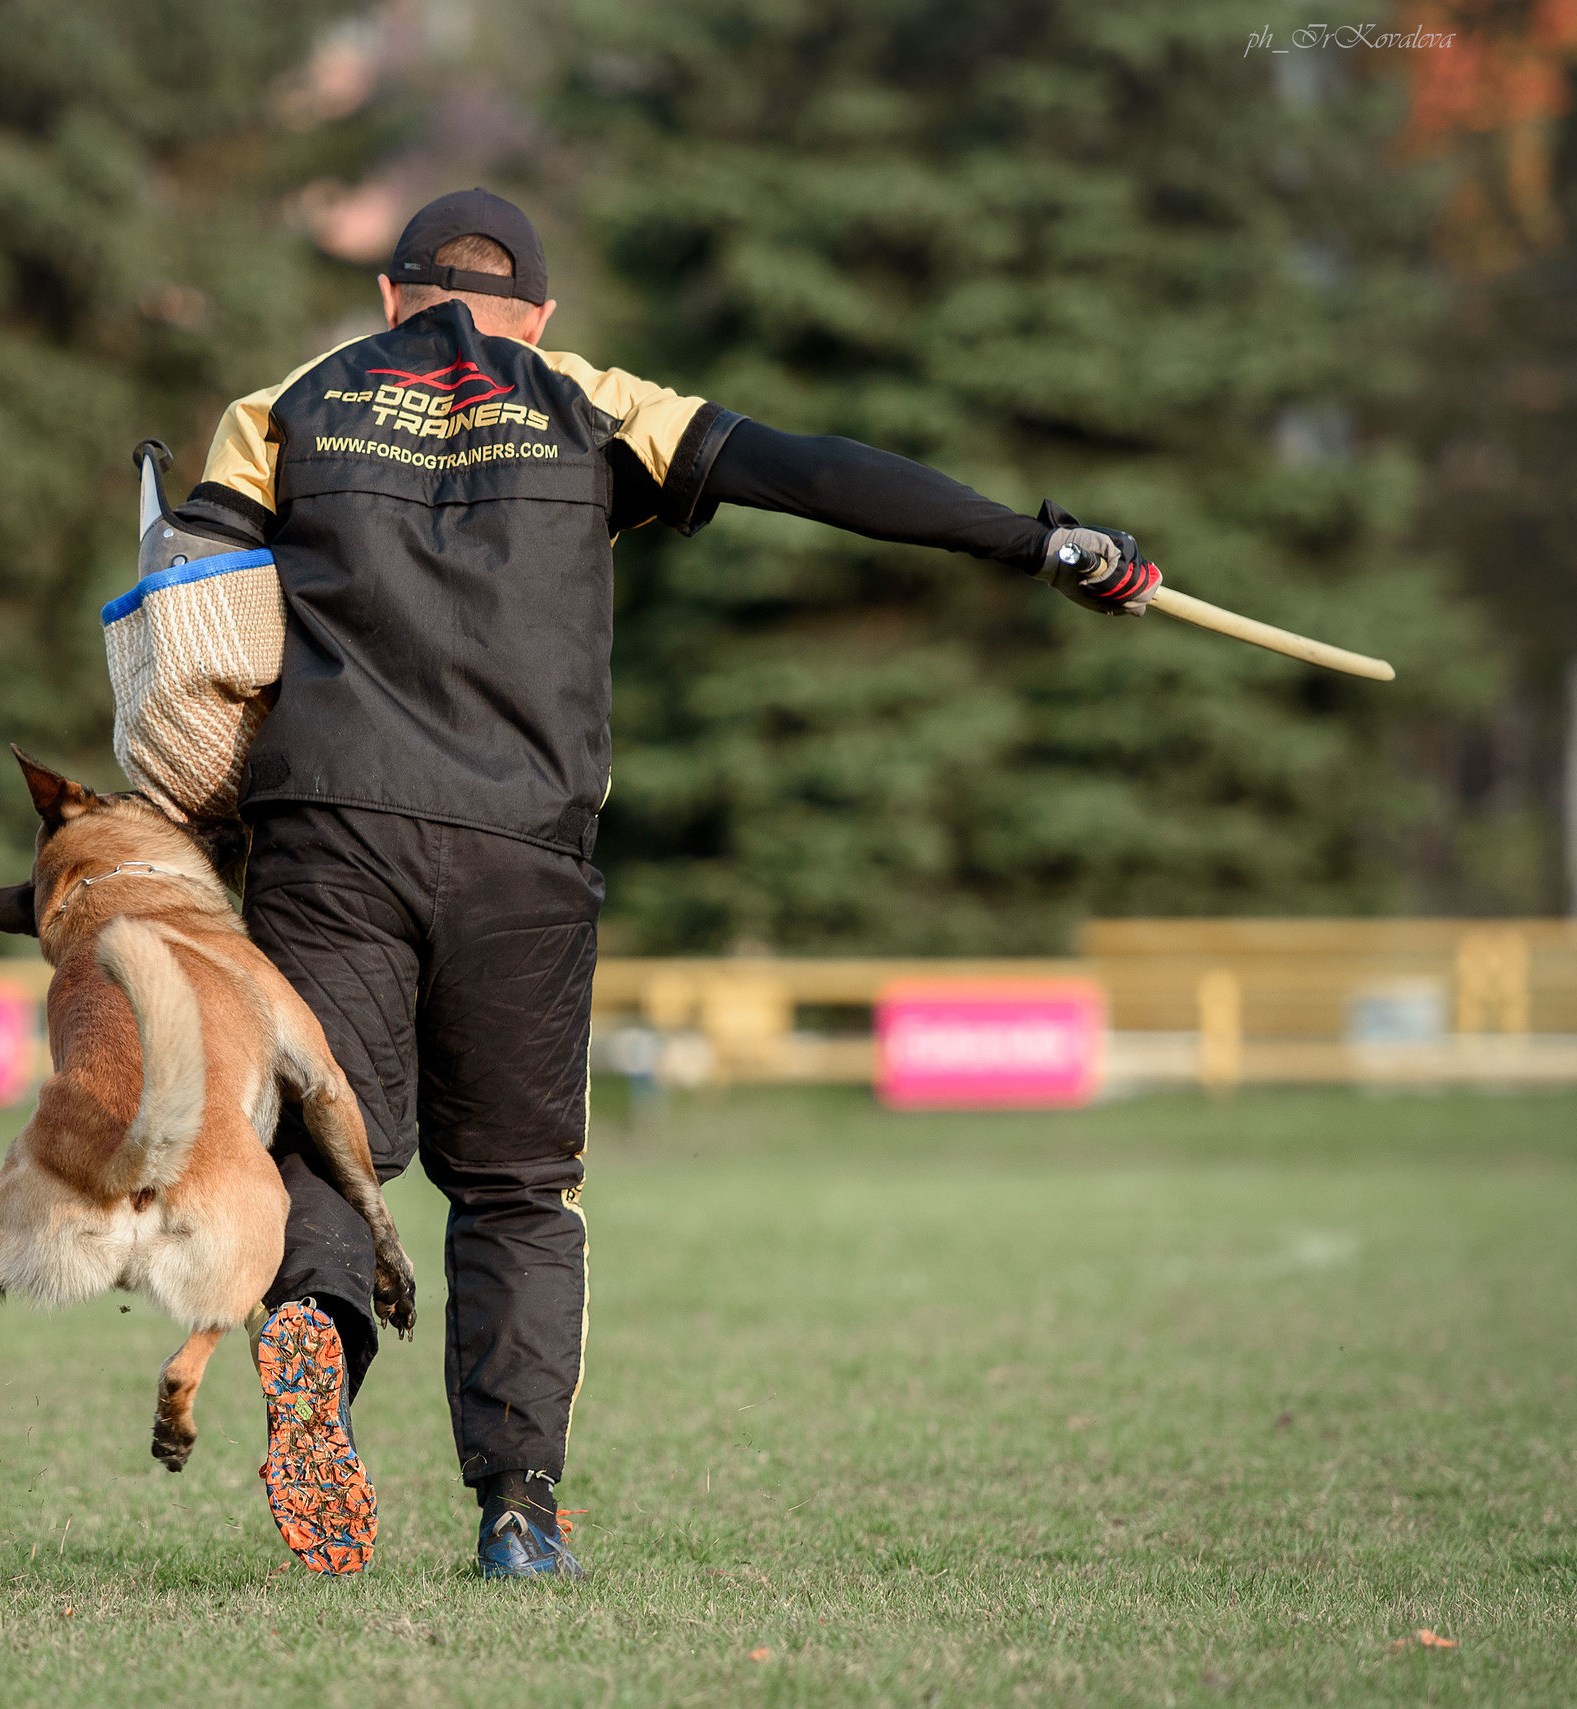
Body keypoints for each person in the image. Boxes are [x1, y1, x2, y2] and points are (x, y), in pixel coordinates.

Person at [122, 189, 1158, 1581]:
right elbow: (814, 472)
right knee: (517, 1193)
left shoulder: (285, 406)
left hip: (330, 828)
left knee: (329, 1148)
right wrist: (1040, 541)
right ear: (536, 314)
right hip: (520, 843)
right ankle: (519, 1511)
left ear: (390, 299)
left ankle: (316, 1335)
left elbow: (190, 611)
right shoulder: (594, 401)